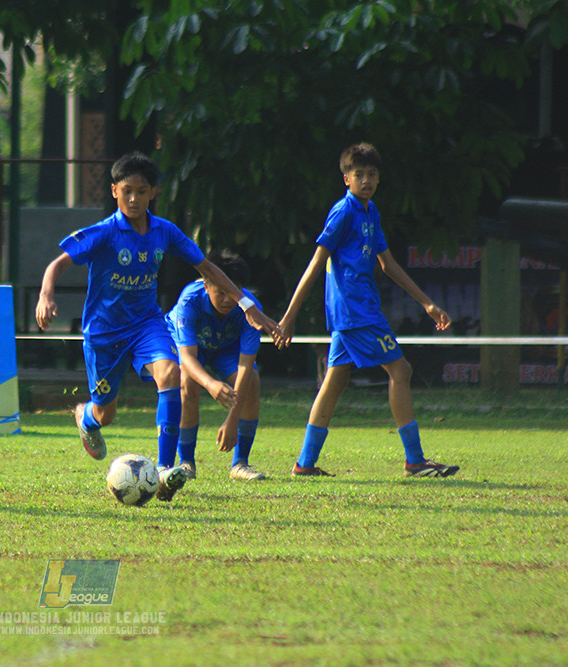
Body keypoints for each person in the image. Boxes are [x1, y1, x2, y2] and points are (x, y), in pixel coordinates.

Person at [35, 152, 283, 501]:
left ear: (153, 192)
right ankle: (85, 415)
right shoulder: (105, 232)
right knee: (105, 413)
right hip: (104, 335)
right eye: (127, 191)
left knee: (172, 374)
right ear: (114, 192)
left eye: (141, 190)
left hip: (146, 324)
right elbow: (58, 264)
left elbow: (207, 269)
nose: (133, 198)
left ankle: (165, 470)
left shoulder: (164, 231)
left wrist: (245, 304)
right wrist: (46, 295)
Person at [277, 143, 459, 478]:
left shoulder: (370, 212)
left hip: (358, 310)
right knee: (400, 371)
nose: (366, 180)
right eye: (358, 174)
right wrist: (289, 316)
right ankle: (414, 461)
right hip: (356, 311)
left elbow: (387, 264)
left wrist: (427, 303)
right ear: (346, 178)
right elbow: (316, 263)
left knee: (334, 381)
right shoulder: (343, 212)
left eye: (371, 174)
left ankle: (304, 463)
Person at [165, 249, 268, 482]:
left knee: (252, 381)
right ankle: (186, 462)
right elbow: (188, 359)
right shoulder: (189, 301)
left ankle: (240, 464)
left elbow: (245, 364)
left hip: (225, 348)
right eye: (220, 292)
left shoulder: (251, 309)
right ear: (206, 286)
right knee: (188, 382)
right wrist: (211, 384)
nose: (227, 300)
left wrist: (232, 418)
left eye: (232, 294)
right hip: (193, 349)